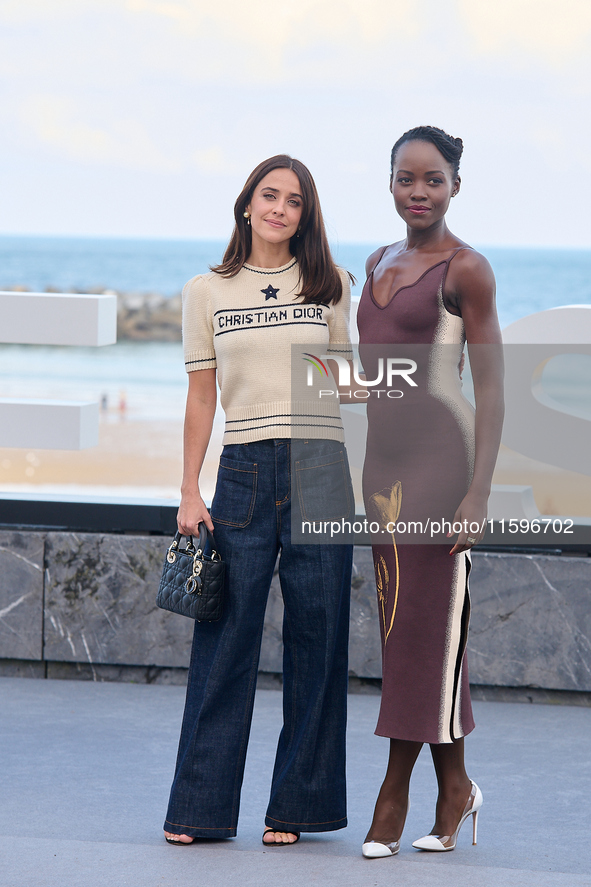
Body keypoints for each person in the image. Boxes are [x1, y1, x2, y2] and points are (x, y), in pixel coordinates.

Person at [163, 155, 354, 847]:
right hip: (242, 469)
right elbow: (201, 396)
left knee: (317, 638)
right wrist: (189, 487)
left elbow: (346, 385)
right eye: (268, 195)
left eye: (294, 200)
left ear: (305, 214)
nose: (280, 208)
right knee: (224, 642)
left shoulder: (331, 285)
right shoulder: (205, 291)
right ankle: (198, 811)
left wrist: (423, 372)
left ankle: (296, 810)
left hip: (321, 464)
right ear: (246, 204)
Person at [357, 126, 504, 857]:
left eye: (433, 179)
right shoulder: (375, 260)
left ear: (453, 186)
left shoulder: (466, 269)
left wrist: (479, 491)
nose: (419, 191)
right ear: (389, 182)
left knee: (423, 626)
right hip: (378, 471)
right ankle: (457, 787)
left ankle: (393, 790)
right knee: (409, 628)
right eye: (406, 178)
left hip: (442, 467)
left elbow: (493, 388)